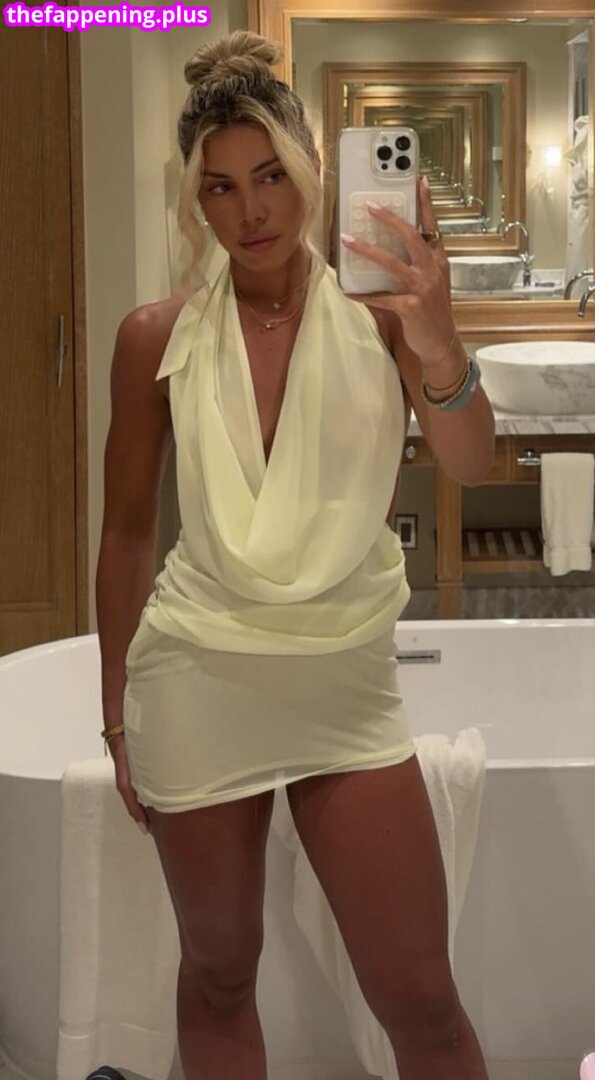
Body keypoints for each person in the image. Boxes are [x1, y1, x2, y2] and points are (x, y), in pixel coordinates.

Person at [96, 29, 495, 1080]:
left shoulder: (381, 320)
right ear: (195, 200)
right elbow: (128, 531)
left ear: (313, 173)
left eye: (271, 176)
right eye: (221, 187)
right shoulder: (153, 337)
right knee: (219, 973)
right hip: (197, 672)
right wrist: (115, 710)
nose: (252, 212)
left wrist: (439, 342)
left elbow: (469, 463)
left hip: (343, 677)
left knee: (421, 999)